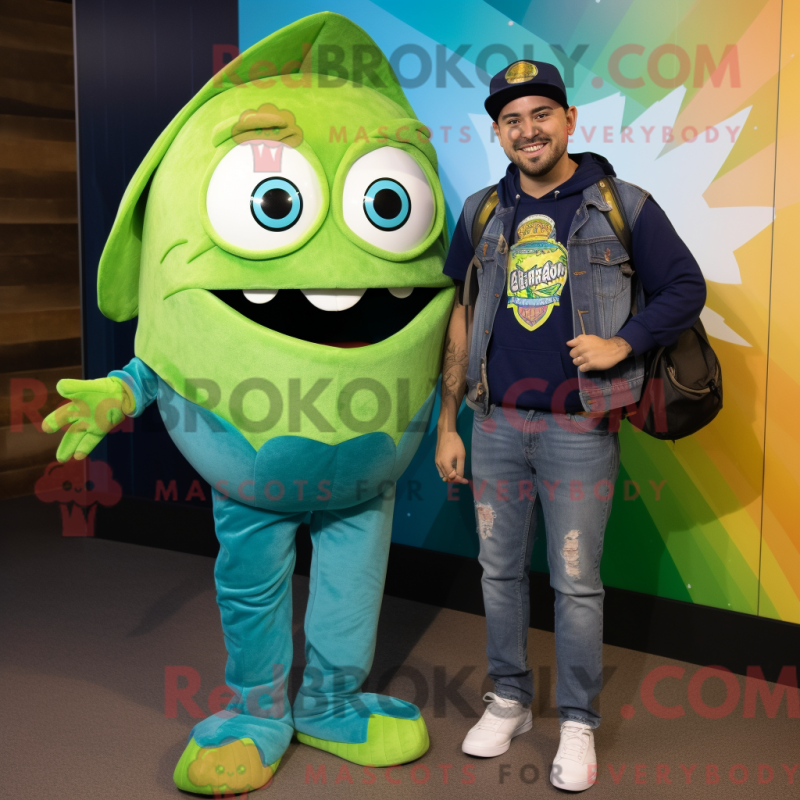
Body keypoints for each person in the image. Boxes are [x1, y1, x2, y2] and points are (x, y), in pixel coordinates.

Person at [434, 60, 706, 792]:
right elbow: (460, 313)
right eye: (512, 120)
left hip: (579, 428)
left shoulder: (621, 204)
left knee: (577, 582)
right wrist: (447, 423)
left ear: (569, 121)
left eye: (541, 115)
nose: (528, 131)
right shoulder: (481, 211)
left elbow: (686, 286)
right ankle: (509, 698)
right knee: (498, 571)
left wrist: (625, 341)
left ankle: (579, 721)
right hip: (493, 424)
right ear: (498, 132)